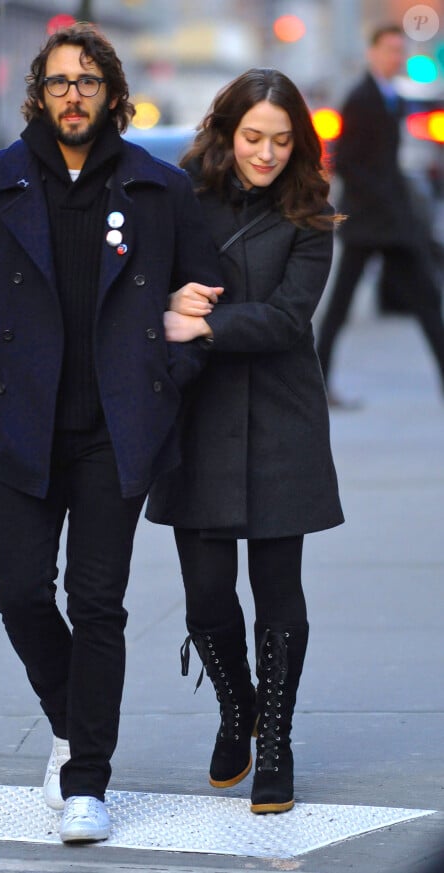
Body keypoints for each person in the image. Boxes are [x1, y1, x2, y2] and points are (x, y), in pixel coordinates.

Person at [0, 22, 222, 843]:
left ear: (111, 92)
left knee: (97, 605)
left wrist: (169, 374)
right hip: (23, 425)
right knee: (19, 592)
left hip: (114, 433)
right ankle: (69, 718)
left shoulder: (159, 189)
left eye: (88, 80)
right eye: (59, 82)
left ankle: (88, 778)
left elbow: (203, 292)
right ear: (39, 94)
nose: (74, 94)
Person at [146, 67, 344, 814]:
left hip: (280, 417)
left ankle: (279, 742)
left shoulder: (312, 215)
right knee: (205, 599)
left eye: (282, 140)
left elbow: (290, 319)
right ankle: (239, 708)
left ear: (300, 145)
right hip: (195, 415)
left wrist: (200, 321)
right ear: (227, 130)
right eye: (253, 136)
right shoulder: (180, 199)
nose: (266, 153)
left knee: (277, 594)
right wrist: (166, 298)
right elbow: (141, 281)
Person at [316, 24, 444, 408]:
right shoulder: (361, 98)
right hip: (369, 223)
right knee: (339, 307)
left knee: (427, 302)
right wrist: (389, 202)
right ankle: (319, 385)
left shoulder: (393, 97)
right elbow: (350, 163)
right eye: (389, 49)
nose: (395, 57)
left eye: (399, 51)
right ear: (372, 53)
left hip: (391, 224)